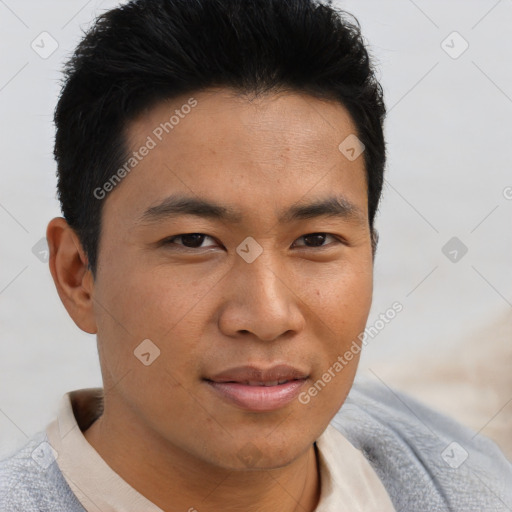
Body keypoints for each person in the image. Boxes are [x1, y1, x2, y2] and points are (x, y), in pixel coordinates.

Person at [1, 0, 510, 510]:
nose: (267, 316)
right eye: (194, 241)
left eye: (315, 240)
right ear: (77, 275)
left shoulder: (468, 482)